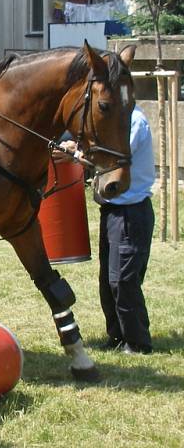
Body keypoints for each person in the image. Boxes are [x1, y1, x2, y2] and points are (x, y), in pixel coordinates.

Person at [63, 105, 155, 354]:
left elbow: (111, 158)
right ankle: (117, 335)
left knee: (123, 280)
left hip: (131, 213)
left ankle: (137, 342)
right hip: (113, 211)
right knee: (108, 279)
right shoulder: (118, 121)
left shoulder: (134, 123)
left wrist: (77, 152)